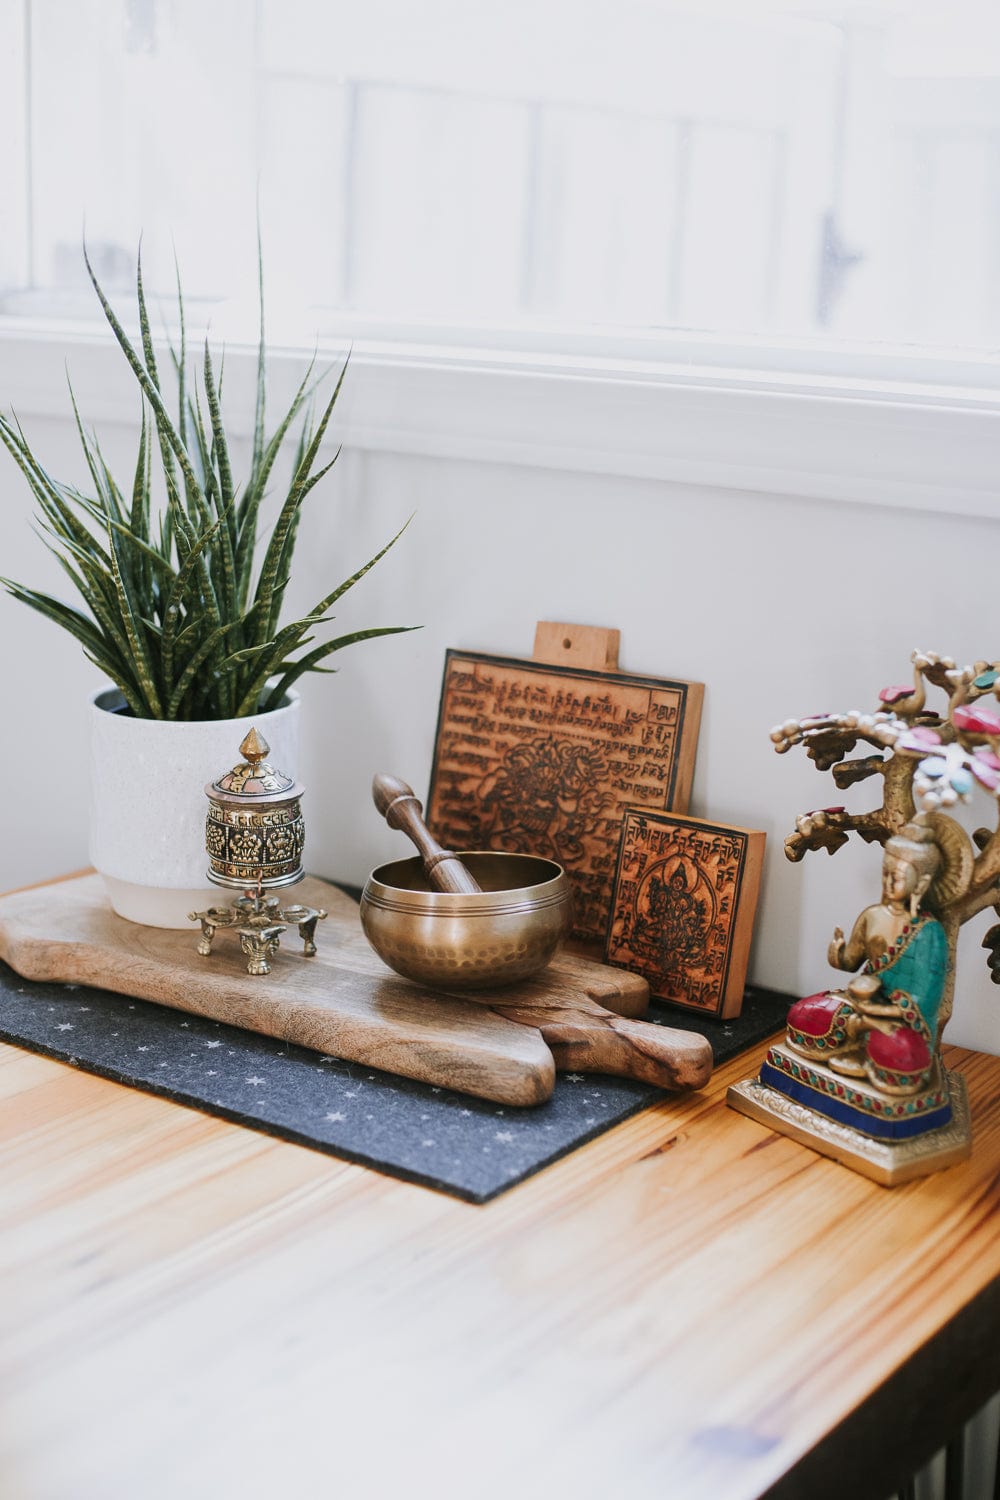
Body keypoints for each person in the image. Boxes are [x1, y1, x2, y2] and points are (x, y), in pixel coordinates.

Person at [785, 821, 950, 1095]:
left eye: (895, 877)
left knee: (902, 1054)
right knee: (803, 1013)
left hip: (898, 1019)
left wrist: (877, 1012)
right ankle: (856, 1043)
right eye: (885, 873)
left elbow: (924, 1000)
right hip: (860, 1005)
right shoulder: (872, 916)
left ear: (920, 882)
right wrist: (836, 953)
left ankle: (865, 1049)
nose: (887, 882)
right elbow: (850, 962)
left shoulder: (929, 934)